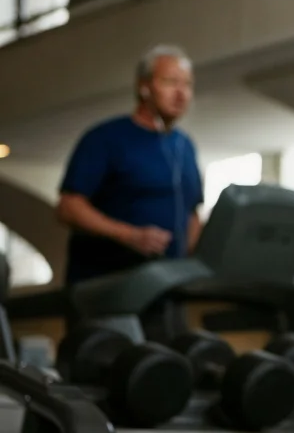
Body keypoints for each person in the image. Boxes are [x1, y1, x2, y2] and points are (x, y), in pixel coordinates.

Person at [56, 44, 203, 285]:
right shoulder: (106, 138)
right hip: (107, 286)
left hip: (166, 288)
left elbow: (192, 213)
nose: (181, 93)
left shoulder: (185, 146)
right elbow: (68, 207)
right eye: (170, 82)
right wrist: (130, 235)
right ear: (144, 87)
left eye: (187, 84)